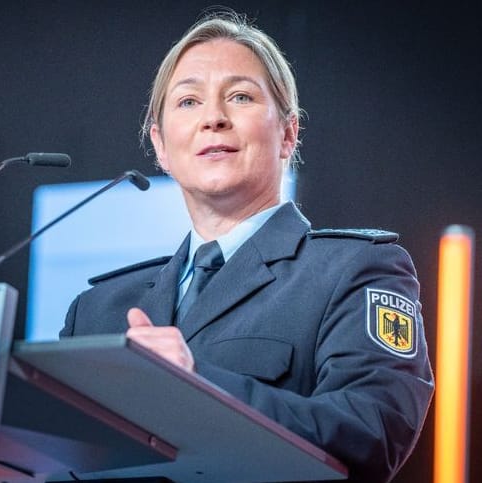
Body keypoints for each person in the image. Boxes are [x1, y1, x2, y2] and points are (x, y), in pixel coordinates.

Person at [60, 10, 433, 483]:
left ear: (288, 133)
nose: (213, 118)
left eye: (240, 96)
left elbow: (373, 430)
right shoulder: (96, 312)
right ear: (160, 145)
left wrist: (197, 384)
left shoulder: (356, 269)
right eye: (189, 101)